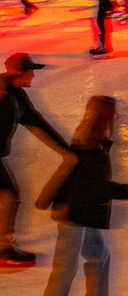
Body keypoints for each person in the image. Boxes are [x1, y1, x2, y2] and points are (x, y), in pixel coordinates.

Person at [29, 96, 128, 296]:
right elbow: (97, 188)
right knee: (65, 269)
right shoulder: (89, 147)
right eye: (113, 114)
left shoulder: (96, 142)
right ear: (105, 117)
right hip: (73, 216)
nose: (117, 118)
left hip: (86, 213)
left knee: (100, 256)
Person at [0, 53, 74, 264]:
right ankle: (4, 248)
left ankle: (4, 246)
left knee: (10, 194)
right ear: (19, 72)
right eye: (30, 71)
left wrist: (66, 151)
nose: (33, 75)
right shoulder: (3, 93)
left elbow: (38, 124)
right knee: (10, 194)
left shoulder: (18, 98)